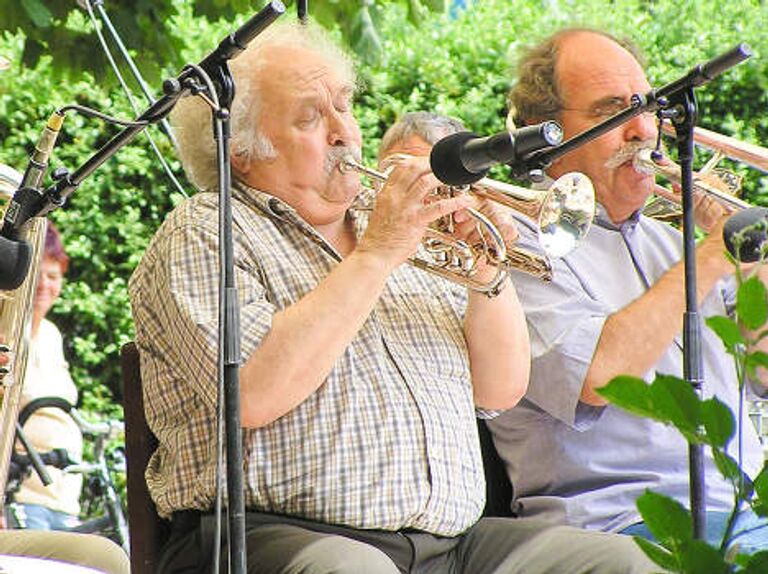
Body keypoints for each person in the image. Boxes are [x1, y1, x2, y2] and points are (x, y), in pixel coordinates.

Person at [129, 21, 659, 574]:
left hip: (450, 546)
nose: (344, 132)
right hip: (276, 538)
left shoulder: (393, 226)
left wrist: (488, 276)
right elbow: (253, 391)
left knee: (624, 563)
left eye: (344, 105)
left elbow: (498, 389)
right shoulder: (206, 229)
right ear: (241, 151)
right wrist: (377, 254)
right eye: (312, 117)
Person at [487, 27, 768, 552]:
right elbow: (598, 376)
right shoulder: (512, 239)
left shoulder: (678, 241)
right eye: (611, 110)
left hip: (743, 511)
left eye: (645, 107)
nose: (642, 130)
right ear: (546, 132)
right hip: (618, 522)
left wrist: (747, 256)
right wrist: (712, 255)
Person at [4, 222, 84, 531]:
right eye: (36, 274)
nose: (44, 285)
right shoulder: (6, 330)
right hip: (20, 497)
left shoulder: (51, 335)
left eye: (53, 276)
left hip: (62, 499)